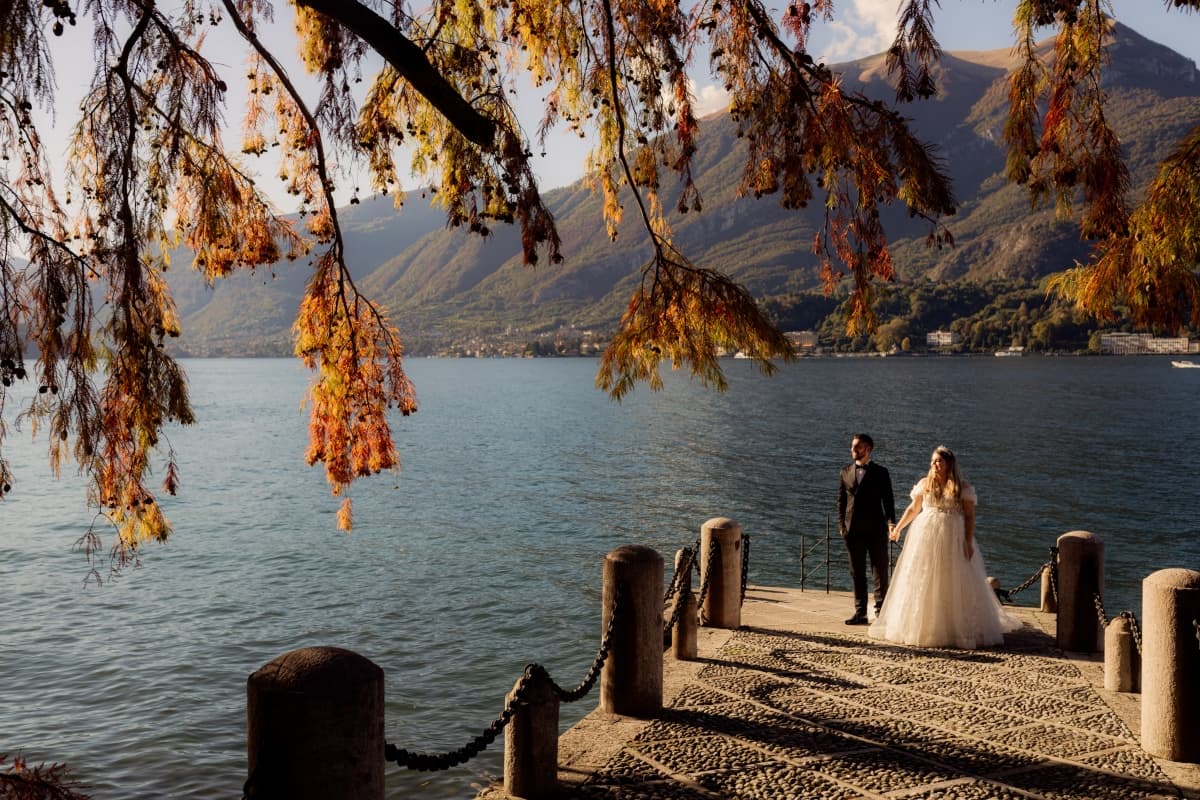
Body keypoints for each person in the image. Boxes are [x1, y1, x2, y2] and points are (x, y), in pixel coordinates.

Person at [869, 445, 1019, 649]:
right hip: (925, 536)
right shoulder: (925, 484)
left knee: (952, 578)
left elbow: (969, 516)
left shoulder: (961, 487)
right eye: (932, 461)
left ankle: (954, 627)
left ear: (949, 464)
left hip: (952, 537)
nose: (934, 465)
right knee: (923, 577)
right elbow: (914, 508)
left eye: (938, 461)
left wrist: (967, 541)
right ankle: (923, 626)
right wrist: (899, 528)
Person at [837, 434, 896, 625]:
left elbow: (888, 501)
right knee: (857, 573)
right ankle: (860, 612)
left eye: (857, 447)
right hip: (852, 532)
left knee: (880, 571)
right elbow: (841, 501)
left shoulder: (881, 472)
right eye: (853, 447)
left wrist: (891, 523)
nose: (853, 450)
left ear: (868, 449)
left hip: (876, 530)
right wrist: (841, 527)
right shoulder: (845, 472)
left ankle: (880, 611)